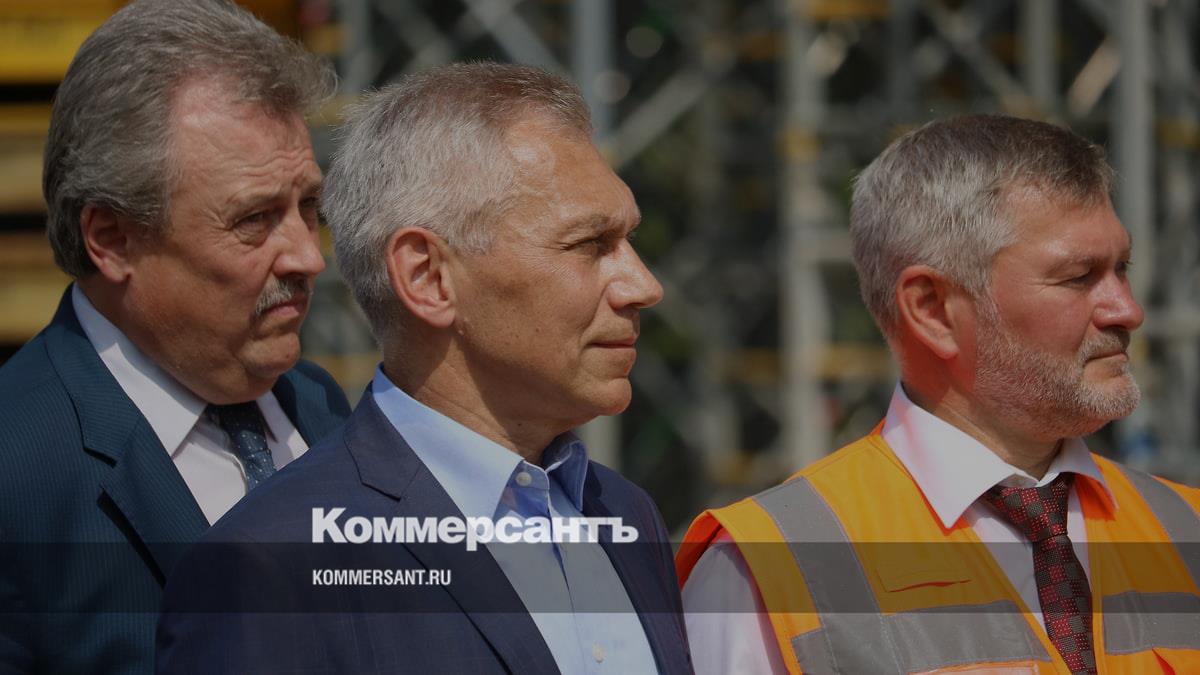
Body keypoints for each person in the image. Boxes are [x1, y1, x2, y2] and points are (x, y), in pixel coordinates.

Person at [156, 62, 692, 674]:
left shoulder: (625, 515)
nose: (643, 286)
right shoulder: (272, 569)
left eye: (628, 241)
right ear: (427, 277)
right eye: (590, 245)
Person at [677, 115, 1200, 674]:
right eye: (1078, 276)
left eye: (1122, 268)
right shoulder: (768, 567)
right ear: (931, 309)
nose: (1127, 310)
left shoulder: (1186, 526)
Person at [0, 1, 351, 672]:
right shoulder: (19, 472)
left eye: (308, 206)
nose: (308, 256)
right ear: (112, 238)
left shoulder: (319, 405)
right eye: (255, 219)